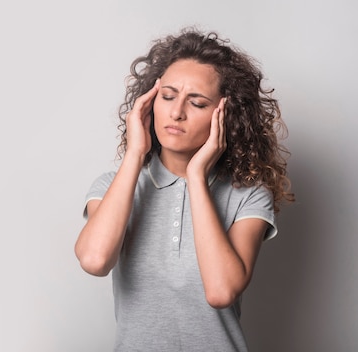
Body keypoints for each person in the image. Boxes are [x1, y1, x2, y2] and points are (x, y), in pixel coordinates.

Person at [74, 27, 295, 351]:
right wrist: (135, 154)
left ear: (225, 115)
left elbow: (221, 292)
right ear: (149, 102)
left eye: (197, 103)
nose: (176, 112)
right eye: (167, 96)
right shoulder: (113, 187)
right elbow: (95, 260)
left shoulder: (248, 195)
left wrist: (196, 177)